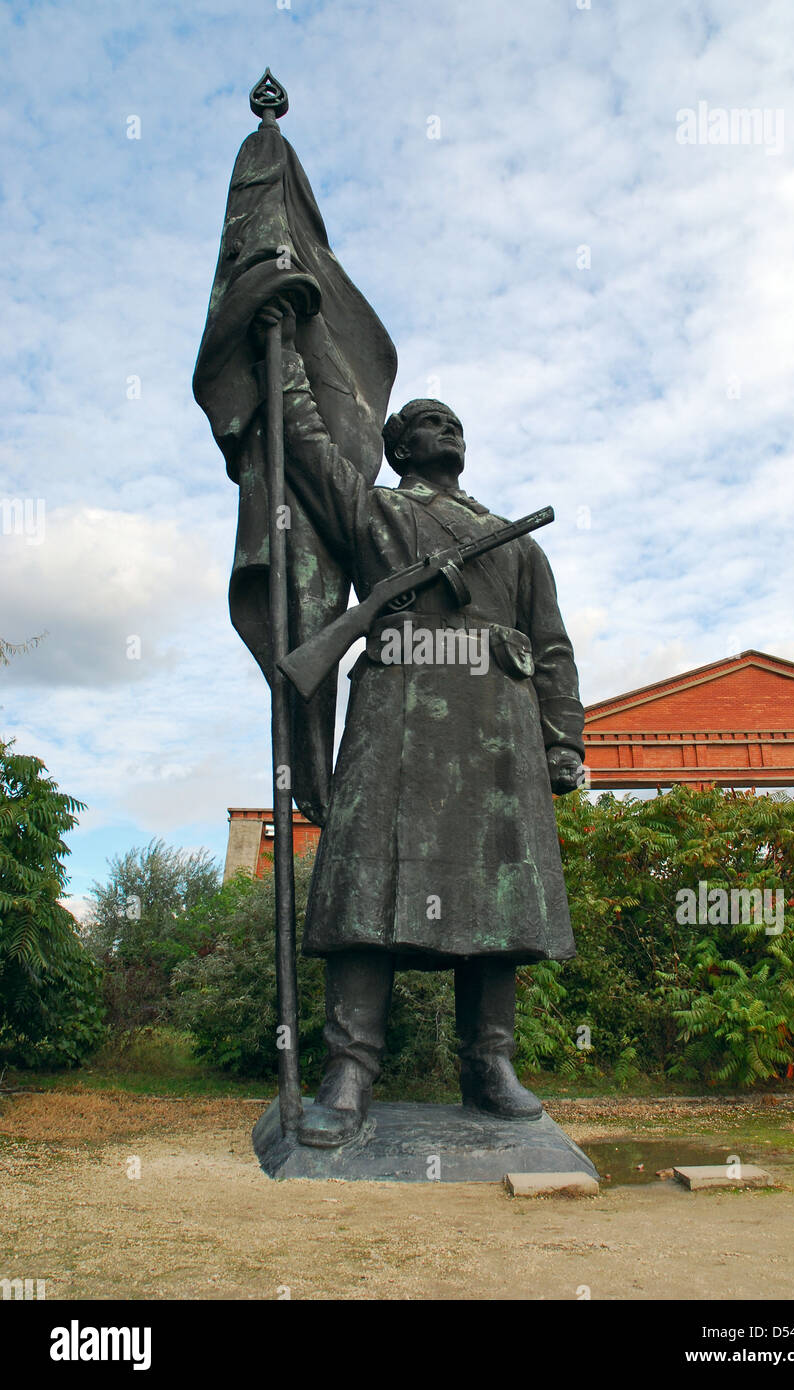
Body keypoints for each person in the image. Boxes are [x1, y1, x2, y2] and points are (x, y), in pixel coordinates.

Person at [257, 301, 585, 1148]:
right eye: (427, 421)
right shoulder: (370, 509)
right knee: (369, 884)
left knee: (498, 902)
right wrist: (283, 346)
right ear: (398, 447)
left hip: (499, 727)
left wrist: (564, 741)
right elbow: (303, 434)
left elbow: (551, 649)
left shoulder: (514, 541)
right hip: (397, 710)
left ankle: (491, 1063)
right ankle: (351, 1070)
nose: (446, 429)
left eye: (455, 423)